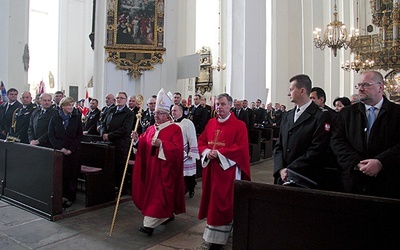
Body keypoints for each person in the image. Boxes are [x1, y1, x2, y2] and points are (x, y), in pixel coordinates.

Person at [331, 71, 400, 199]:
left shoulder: (396, 113)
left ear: (380, 87)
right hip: (353, 181)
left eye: (366, 85)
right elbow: (337, 141)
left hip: (388, 184)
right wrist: (357, 163)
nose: (361, 89)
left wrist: (381, 162)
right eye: (359, 85)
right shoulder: (347, 113)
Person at [197, 93, 250, 249]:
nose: (219, 107)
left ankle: (219, 238)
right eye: (217, 104)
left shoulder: (239, 125)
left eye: (222, 104)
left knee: (223, 201)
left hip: (228, 171)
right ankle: (211, 235)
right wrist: (207, 152)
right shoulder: (211, 122)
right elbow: (202, 141)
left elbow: (240, 148)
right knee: (212, 201)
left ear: (230, 105)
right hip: (212, 170)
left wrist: (219, 154)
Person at [131, 89, 185, 236]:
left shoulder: (175, 129)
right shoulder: (150, 129)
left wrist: (162, 144)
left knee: (159, 195)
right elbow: (143, 143)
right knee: (154, 195)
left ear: (167, 115)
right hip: (151, 170)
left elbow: (177, 149)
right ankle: (166, 215)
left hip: (165, 171)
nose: (156, 116)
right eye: (155, 113)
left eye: (159, 113)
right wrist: (137, 140)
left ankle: (149, 224)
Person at [273, 74, 331, 189]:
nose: (288, 93)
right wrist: (280, 169)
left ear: (302, 91)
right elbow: (279, 145)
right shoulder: (287, 115)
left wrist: (291, 169)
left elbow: (317, 149)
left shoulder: (320, 116)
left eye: (291, 90)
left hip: (304, 177)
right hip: (283, 176)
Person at [48, 97, 83, 208]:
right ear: (62, 106)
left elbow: (79, 135)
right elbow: (51, 135)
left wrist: (71, 149)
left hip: (73, 152)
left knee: (71, 175)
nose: (70, 107)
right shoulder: (55, 118)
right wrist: (60, 148)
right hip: (59, 152)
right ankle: (61, 196)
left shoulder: (76, 118)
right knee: (61, 175)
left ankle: (71, 197)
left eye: (72, 105)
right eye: (68, 105)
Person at [100, 92, 134, 189]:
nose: (119, 100)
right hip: (108, 143)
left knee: (119, 167)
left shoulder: (129, 113)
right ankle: (109, 187)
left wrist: (109, 135)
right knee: (109, 166)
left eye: (122, 98)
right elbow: (103, 122)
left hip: (120, 144)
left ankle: (119, 188)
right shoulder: (111, 110)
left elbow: (125, 129)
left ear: (126, 100)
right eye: (118, 98)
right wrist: (103, 133)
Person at [171, 104, 199, 198]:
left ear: (181, 112)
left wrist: (192, 151)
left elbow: (192, 137)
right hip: (175, 152)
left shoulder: (187, 123)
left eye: (175, 110)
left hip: (187, 152)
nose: (173, 112)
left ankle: (191, 188)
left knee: (188, 175)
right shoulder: (170, 122)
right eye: (172, 111)